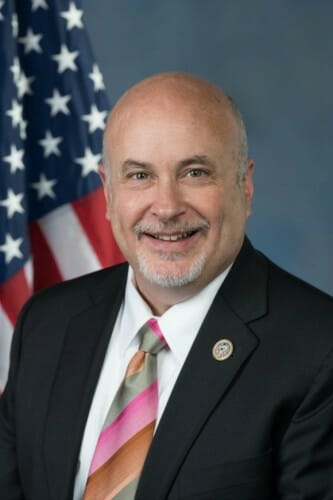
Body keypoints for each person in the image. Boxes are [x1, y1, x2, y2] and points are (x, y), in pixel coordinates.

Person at [1, 72, 333, 500]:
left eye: (195, 172)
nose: (167, 206)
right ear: (107, 192)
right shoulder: (46, 323)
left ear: (244, 186)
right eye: (139, 176)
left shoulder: (318, 350)